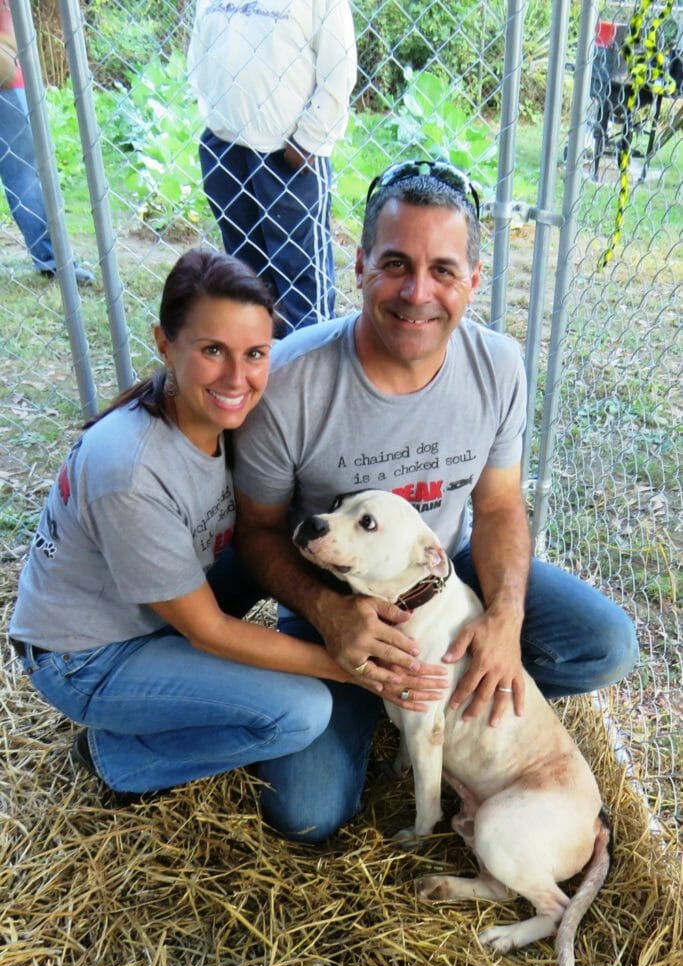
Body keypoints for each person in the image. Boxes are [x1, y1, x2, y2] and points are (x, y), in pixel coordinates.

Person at [233, 159, 640, 843]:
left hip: (446, 576)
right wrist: (332, 615)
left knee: (601, 645)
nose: (417, 292)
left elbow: (501, 507)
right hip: (335, 601)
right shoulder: (294, 382)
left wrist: (504, 621)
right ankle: (384, 711)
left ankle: (452, 719)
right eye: (394, 264)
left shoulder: (497, 366)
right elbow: (257, 531)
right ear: (359, 265)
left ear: (472, 282)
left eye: (443, 270)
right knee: (305, 811)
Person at [9, 247, 446, 808]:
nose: (238, 378)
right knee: (301, 712)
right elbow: (208, 631)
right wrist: (355, 669)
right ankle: (118, 758)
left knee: (279, 545)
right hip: (90, 657)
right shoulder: (132, 471)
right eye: (212, 350)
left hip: (163, 600)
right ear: (165, 344)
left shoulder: (219, 415)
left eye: (256, 353)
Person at [187, 0, 356, 334]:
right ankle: (262, 352)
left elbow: (340, 69)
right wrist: (216, 119)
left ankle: (312, 358)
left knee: (300, 272)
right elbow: (200, 52)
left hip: (289, 154)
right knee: (244, 264)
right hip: (225, 145)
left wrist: (309, 138)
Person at [0, 2, 93, 284]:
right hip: (7, 82)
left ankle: (52, 258)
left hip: (7, 80)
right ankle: (52, 259)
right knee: (24, 176)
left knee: (24, 175)